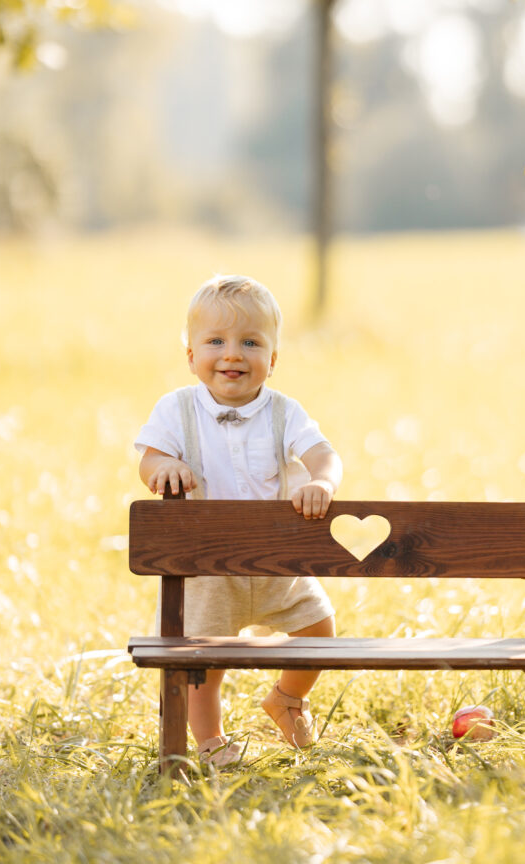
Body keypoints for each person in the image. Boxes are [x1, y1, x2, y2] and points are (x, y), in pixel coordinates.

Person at [135, 274, 341, 766]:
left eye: (250, 342)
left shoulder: (283, 412)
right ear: (190, 357)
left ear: (271, 360)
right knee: (206, 663)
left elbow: (324, 454)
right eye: (215, 342)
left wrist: (322, 483)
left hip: (276, 560)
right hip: (209, 563)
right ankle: (210, 742)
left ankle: (287, 698)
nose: (232, 354)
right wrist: (164, 466)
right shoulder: (177, 409)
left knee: (320, 628)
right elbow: (148, 458)